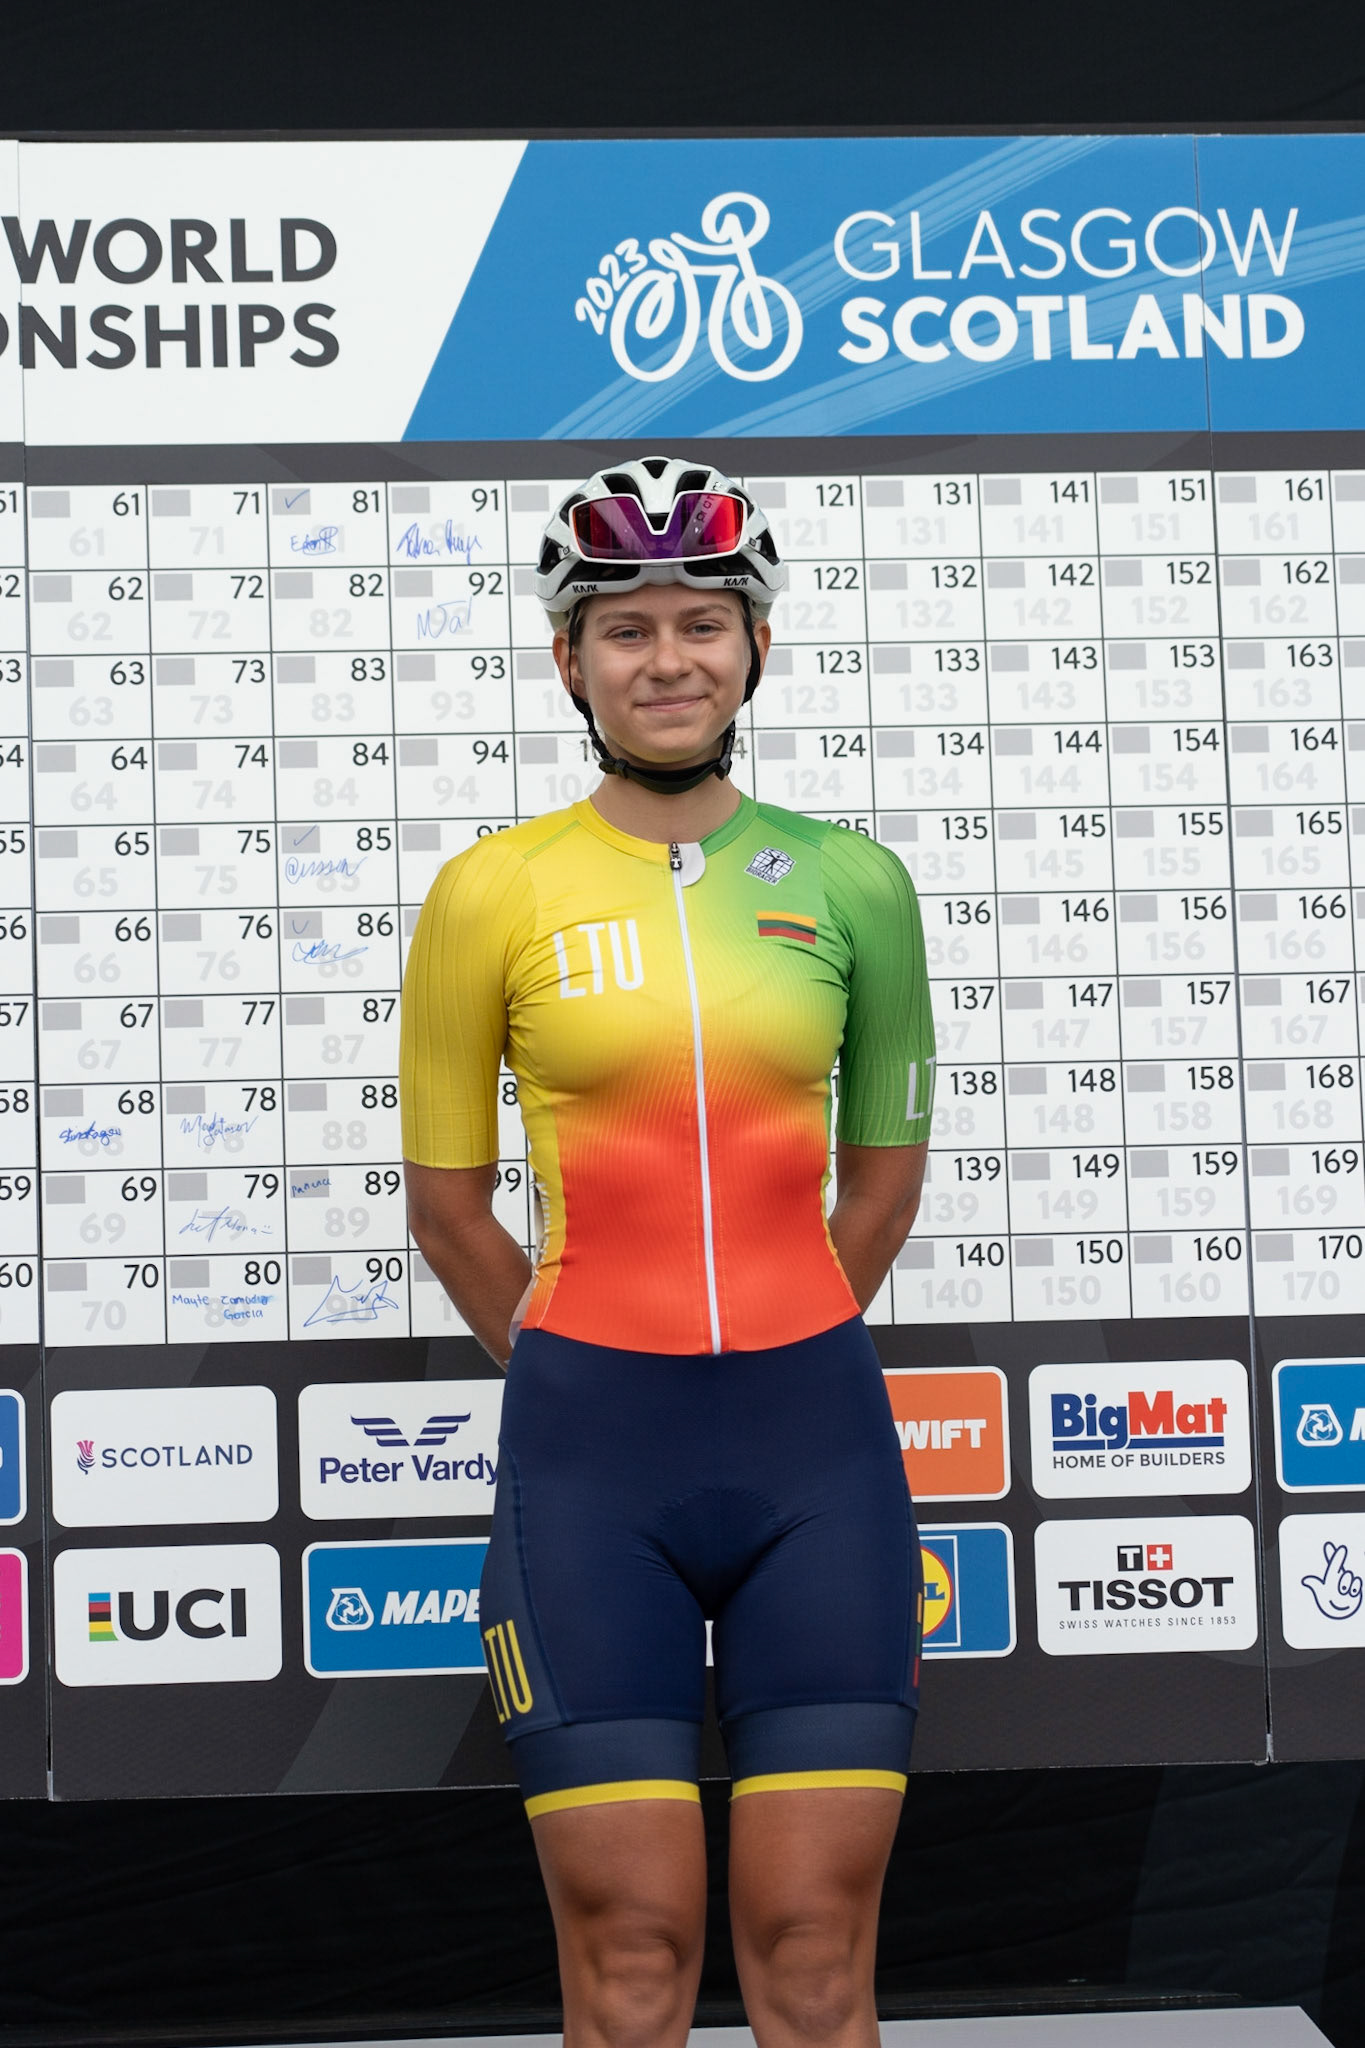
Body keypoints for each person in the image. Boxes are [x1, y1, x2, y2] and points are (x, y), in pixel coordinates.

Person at [401, 456, 935, 2048]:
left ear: (754, 645)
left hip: (813, 1451)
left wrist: (781, 1329)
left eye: (702, 621)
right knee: (632, 1958)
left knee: (814, 1949)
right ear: (568, 661)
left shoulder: (855, 884)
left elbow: (884, 1176)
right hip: (590, 1465)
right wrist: (574, 1355)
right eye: (623, 629)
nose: (667, 659)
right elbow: (446, 1204)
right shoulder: (492, 889)